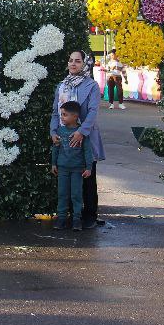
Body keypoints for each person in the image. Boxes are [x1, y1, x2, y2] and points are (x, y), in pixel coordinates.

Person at [50, 50, 105, 229]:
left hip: (85, 138)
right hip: (64, 139)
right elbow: (55, 112)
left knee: (88, 177)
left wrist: (81, 132)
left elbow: (92, 112)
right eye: (71, 60)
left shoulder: (91, 86)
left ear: (85, 64)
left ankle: (89, 215)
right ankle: (67, 215)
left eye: (78, 61)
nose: (73, 64)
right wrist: (53, 132)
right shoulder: (62, 86)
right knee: (66, 182)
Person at [51, 100, 95, 231]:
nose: (62, 117)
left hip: (77, 170)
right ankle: (61, 218)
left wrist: (88, 167)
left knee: (76, 194)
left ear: (75, 116)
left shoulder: (81, 133)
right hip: (63, 168)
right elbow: (56, 148)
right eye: (61, 114)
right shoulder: (60, 131)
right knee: (62, 193)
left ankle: (77, 219)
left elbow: (87, 150)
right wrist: (54, 163)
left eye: (65, 115)